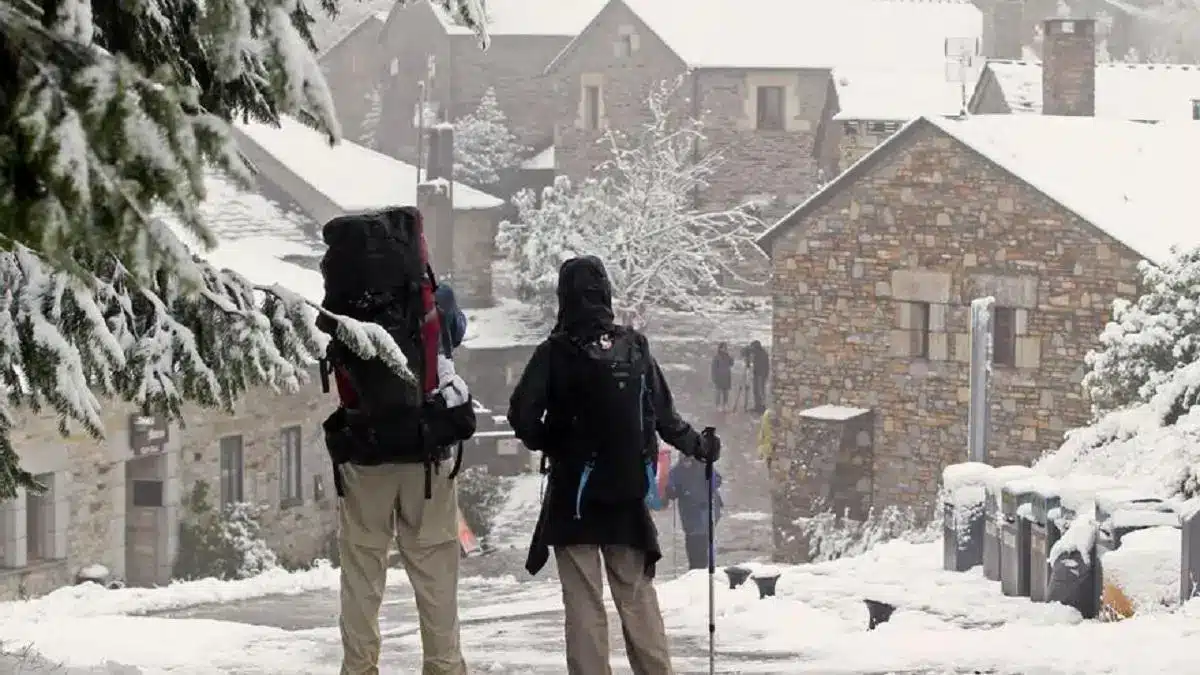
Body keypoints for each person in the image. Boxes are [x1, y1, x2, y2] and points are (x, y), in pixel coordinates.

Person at [507, 255, 722, 675]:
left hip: (573, 498)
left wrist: (554, 444)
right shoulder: (634, 347)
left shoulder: (554, 352)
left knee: (585, 603)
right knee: (637, 597)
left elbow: (522, 414)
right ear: (605, 293)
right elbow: (664, 416)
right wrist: (700, 446)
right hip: (625, 495)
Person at [317, 208, 476, 675]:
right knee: (435, 575)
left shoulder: (342, 298)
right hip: (424, 455)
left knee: (363, 573)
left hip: (363, 452)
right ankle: (444, 666)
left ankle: (360, 667)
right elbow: (455, 335)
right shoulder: (431, 296)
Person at [666, 455, 723, 570]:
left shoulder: (703, 466)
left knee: (703, 539)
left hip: (706, 509)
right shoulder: (676, 471)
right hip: (689, 512)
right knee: (692, 540)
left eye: (689, 460)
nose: (686, 463)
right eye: (684, 461)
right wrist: (671, 491)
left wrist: (711, 483)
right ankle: (695, 568)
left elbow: (717, 480)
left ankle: (702, 568)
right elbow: (671, 491)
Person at [748, 340, 770, 413]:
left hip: (761, 375)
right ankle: (757, 406)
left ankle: (762, 407)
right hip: (757, 374)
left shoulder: (762, 354)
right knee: (756, 391)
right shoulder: (757, 354)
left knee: (760, 391)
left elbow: (761, 366)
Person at [711, 342, 734, 411]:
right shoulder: (716, 357)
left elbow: (731, 364)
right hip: (719, 377)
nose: (725, 349)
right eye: (723, 347)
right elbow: (714, 368)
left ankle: (725, 404)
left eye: (726, 348)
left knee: (726, 392)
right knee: (718, 392)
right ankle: (718, 405)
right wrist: (714, 378)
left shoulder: (727, 356)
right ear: (720, 348)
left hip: (726, 377)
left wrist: (731, 358)